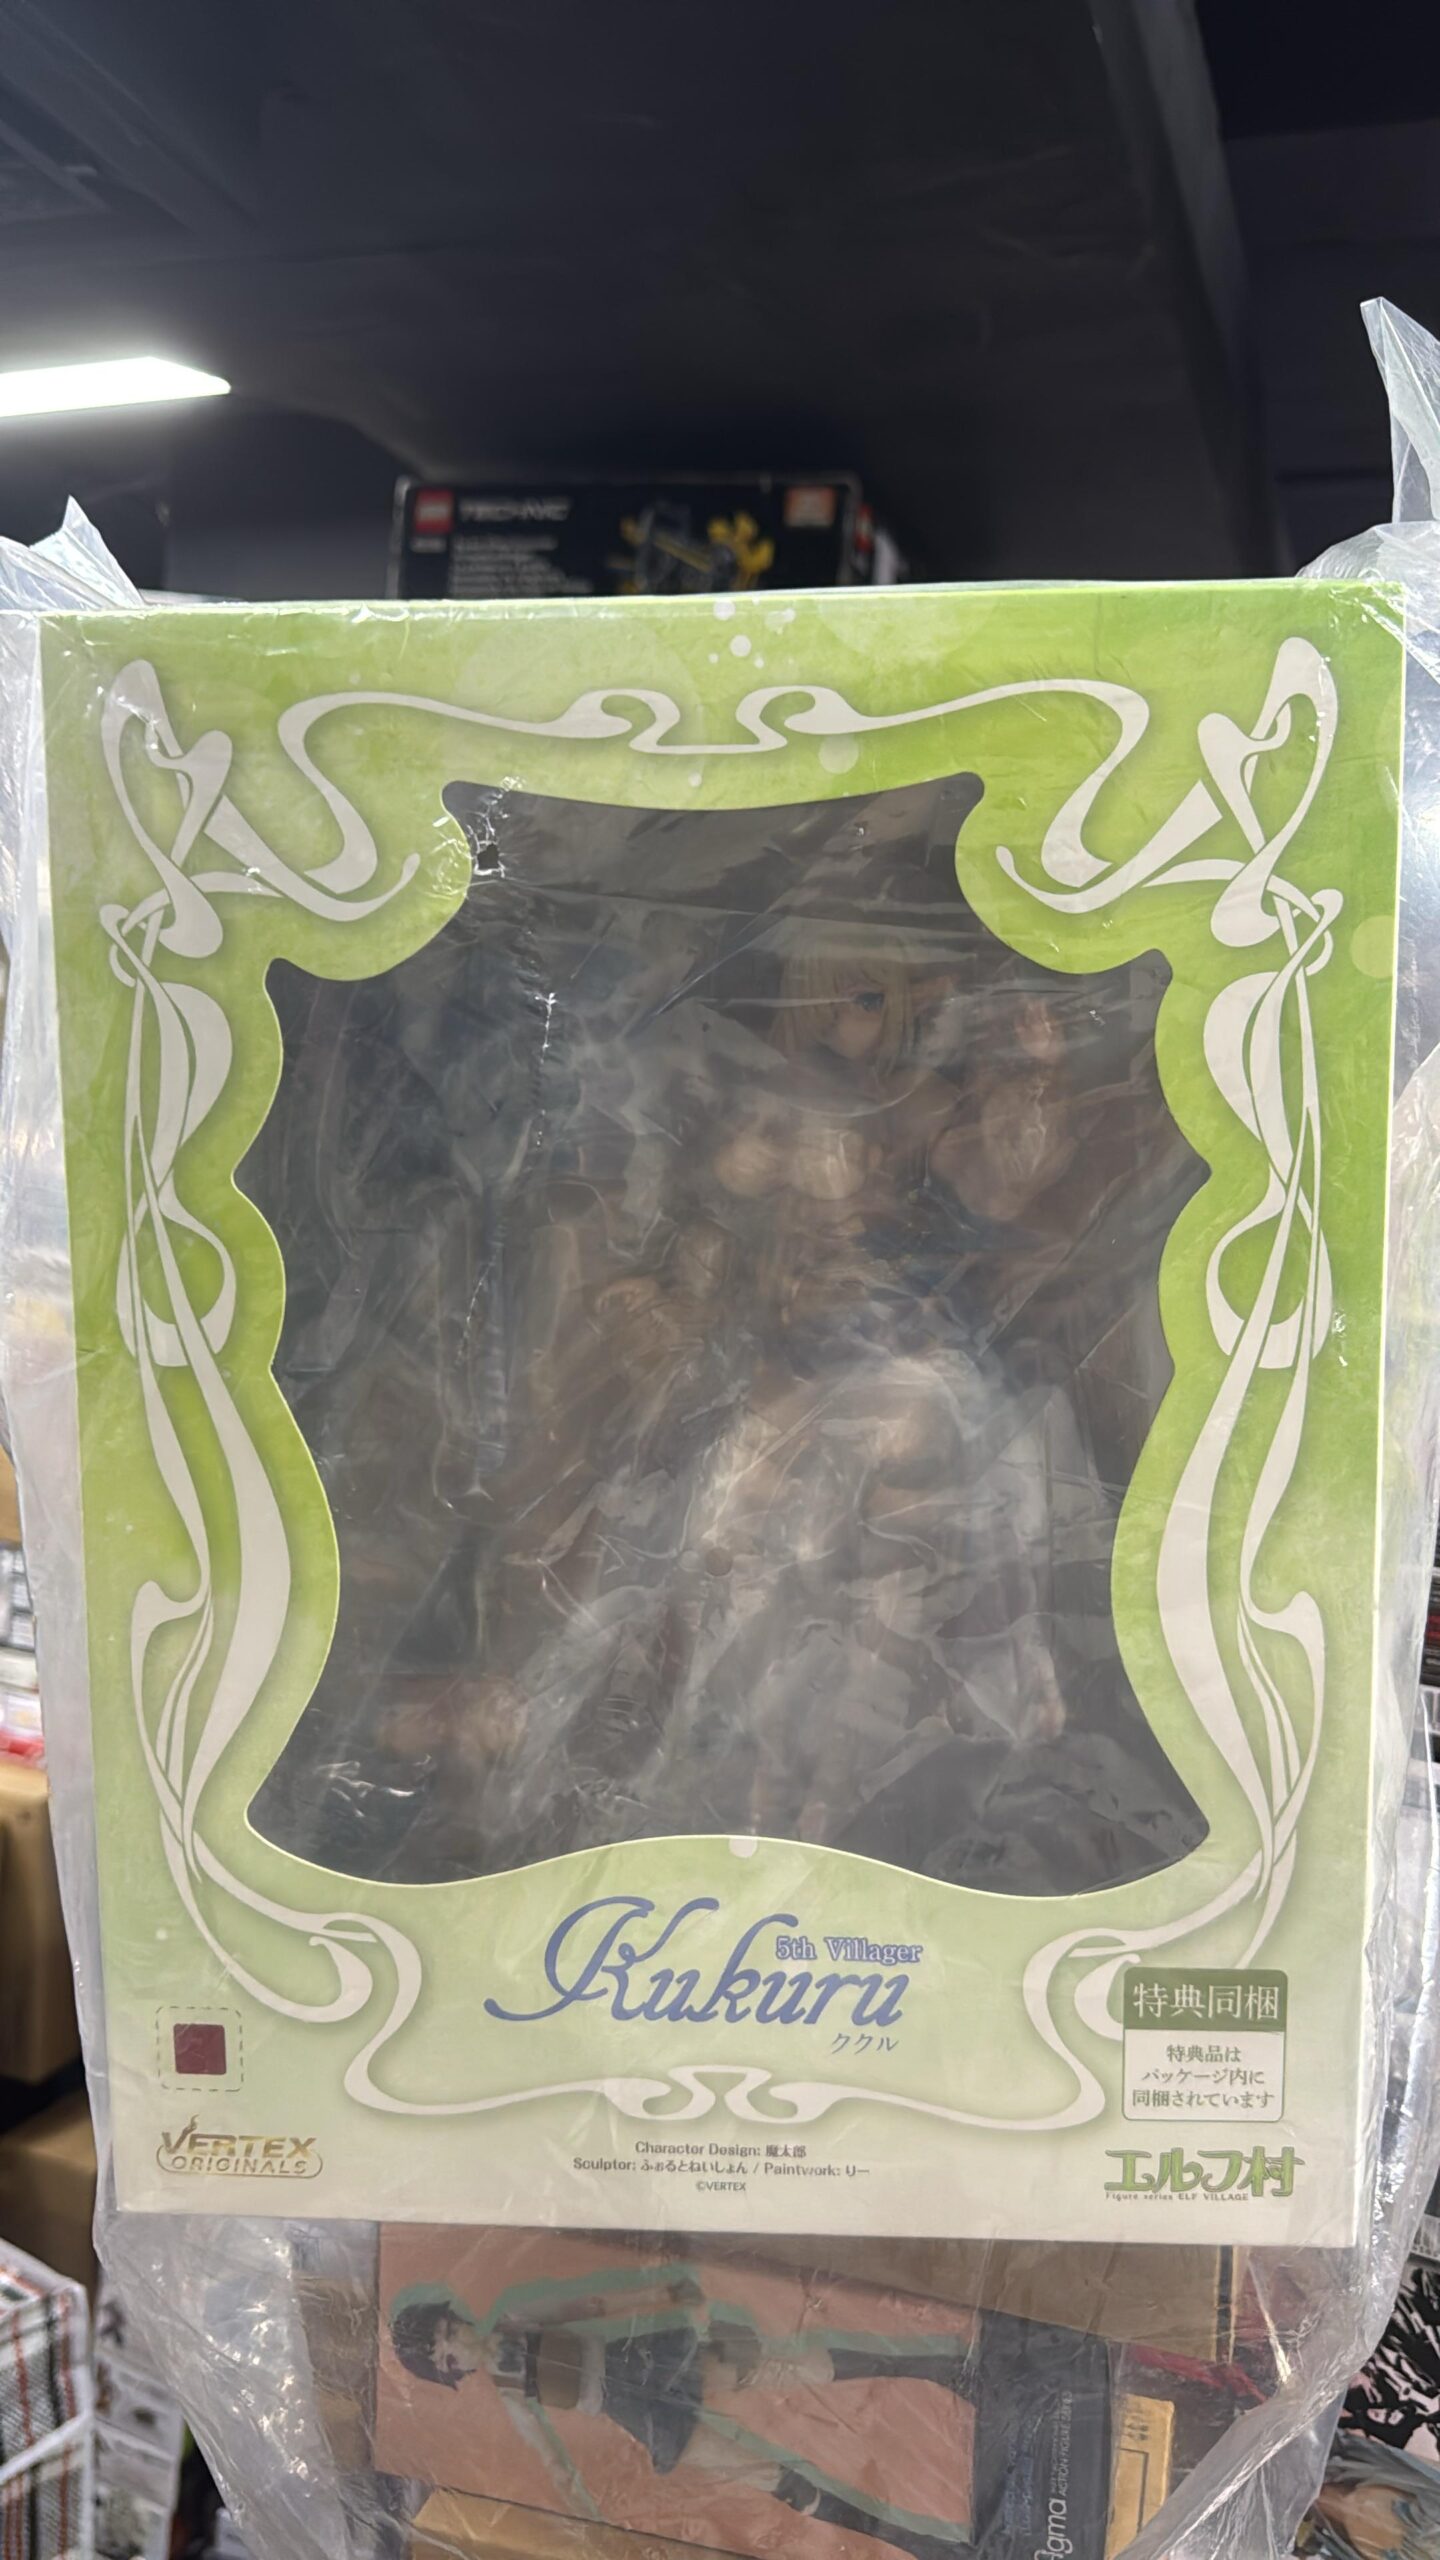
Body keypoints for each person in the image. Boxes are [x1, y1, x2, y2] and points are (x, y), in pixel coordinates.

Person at [388, 2262, 976, 2560]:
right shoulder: (512, 2392)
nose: (457, 2346)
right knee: (773, 2478)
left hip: (652, 2360)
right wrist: (587, 2523)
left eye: (447, 2333)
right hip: (641, 2413)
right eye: (446, 2357)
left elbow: (592, 2302)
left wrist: (663, 2295)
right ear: (452, 2372)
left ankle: (936, 2364)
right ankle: (915, 2543)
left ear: (454, 2318)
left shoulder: (517, 2318)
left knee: (787, 2366)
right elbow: (553, 2460)